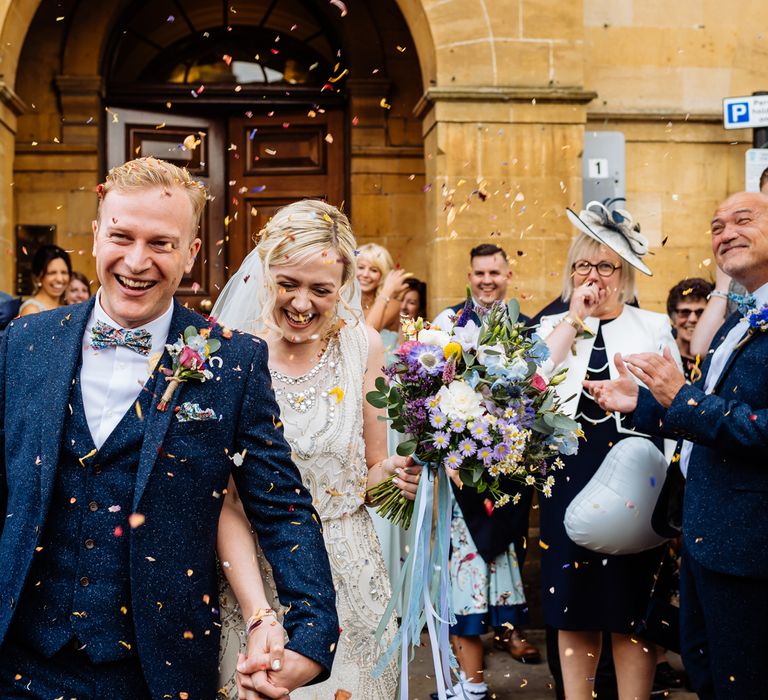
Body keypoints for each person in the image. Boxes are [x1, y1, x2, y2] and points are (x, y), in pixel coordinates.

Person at [0, 157, 338, 700]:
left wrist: (312, 634)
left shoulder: (234, 361)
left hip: (157, 669)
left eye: (161, 243)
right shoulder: (24, 343)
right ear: (95, 235)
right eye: (121, 236)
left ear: (191, 254)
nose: (136, 260)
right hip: (17, 660)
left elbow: (282, 507)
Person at [212, 200, 421, 699]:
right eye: (289, 284)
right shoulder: (234, 352)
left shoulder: (363, 346)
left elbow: (368, 475)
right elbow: (225, 503)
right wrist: (259, 612)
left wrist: (395, 475)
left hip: (351, 577)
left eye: (321, 289)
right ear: (265, 275)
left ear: (344, 284)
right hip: (257, 579)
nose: (302, 303)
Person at [586, 191, 768, 700]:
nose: (725, 232)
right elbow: (708, 416)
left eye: (743, 220)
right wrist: (643, 404)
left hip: (752, 554)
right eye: (716, 225)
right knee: (709, 681)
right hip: (704, 544)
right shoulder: (738, 321)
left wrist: (681, 400)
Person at [536, 202, 681, 700]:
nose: (594, 276)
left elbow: (676, 404)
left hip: (636, 478)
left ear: (624, 276)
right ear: (571, 273)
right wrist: (574, 320)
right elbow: (527, 389)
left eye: (606, 266)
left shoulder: (654, 325)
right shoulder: (551, 326)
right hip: (566, 474)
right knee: (573, 601)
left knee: (630, 601)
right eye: (583, 265)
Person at [430, 244, 539, 700]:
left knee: (504, 551)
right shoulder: (447, 325)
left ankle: (503, 634)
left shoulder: (524, 329)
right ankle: (466, 678)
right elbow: (430, 394)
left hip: (505, 465)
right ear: (469, 275)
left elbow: (536, 392)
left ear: (508, 274)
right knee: (462, 566)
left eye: (495, 271)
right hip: (458, 471)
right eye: (480, 272)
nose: (487, 279)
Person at [356, 242, 409, 332]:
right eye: (361, 267)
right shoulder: (344, 301)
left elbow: (367, 335)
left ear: (383, 275)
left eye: (374, 270)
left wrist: (386, 292)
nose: (365, 274)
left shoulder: (392, 305)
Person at [666, 277, 713, 376]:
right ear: (673, 318)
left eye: (701, 312)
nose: (692, 319)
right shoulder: (663, 355)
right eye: (685, 312)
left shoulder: (718, 359)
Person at [19, 244, 71, 315]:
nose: (59, 279)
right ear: (38, 277)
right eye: (52, 273)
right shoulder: (31, 310)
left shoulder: (68, 306)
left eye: (64, 272)